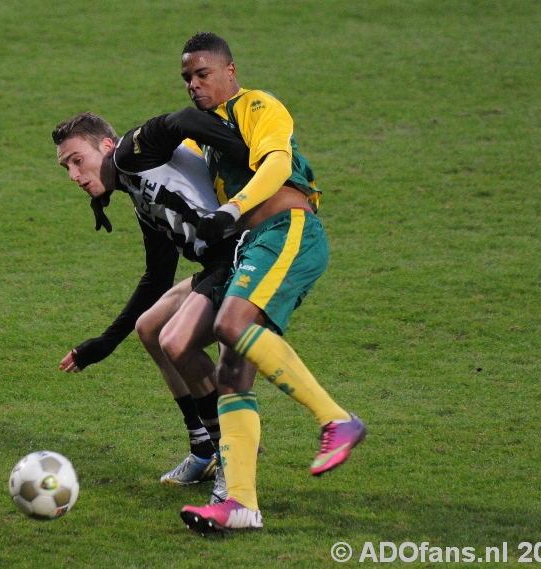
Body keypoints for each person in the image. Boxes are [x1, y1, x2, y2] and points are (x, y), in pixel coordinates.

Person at [158, 32, 367, 533]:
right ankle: (242, 506)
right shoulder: (202, 136)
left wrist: (231, 208)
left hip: (287, 229)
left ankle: (335, 419)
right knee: (232, 374)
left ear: (230, 71)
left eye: (202, 73)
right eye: (186, 77)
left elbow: (275, 161)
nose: (193, 84)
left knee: (230, 325)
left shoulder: (256, 105)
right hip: (252, 246)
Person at [51, 110, 255, 502]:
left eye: (78, 161)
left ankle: (231, 464)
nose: (73, 175)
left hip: (243, 256)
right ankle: (203, 448)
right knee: (150, 328)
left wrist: (246, 154)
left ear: (106, 146)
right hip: (219, 264)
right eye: (66, 168)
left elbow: (179, 122)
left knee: (179, 343)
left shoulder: (132, 151)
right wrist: (104, 343)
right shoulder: (137, 192)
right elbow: (157, 278)